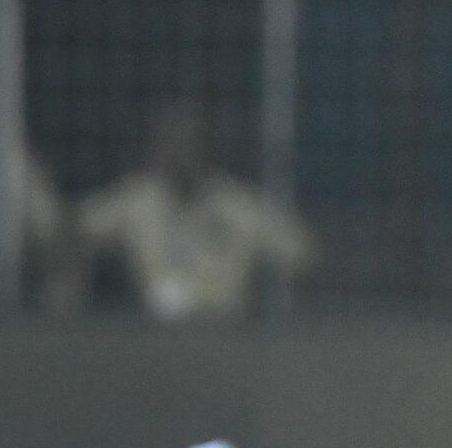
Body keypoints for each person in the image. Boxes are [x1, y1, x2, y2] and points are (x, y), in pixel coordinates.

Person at [72, 102, 313, 320]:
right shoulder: (136, 198)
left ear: (207, 147)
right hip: (149, 336)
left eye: (189, 142)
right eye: (170, 141)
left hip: (227, 335)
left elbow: (302, 256)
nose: (179, 152)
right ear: (155, 146)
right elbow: (73, 232)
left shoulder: (239, 205)